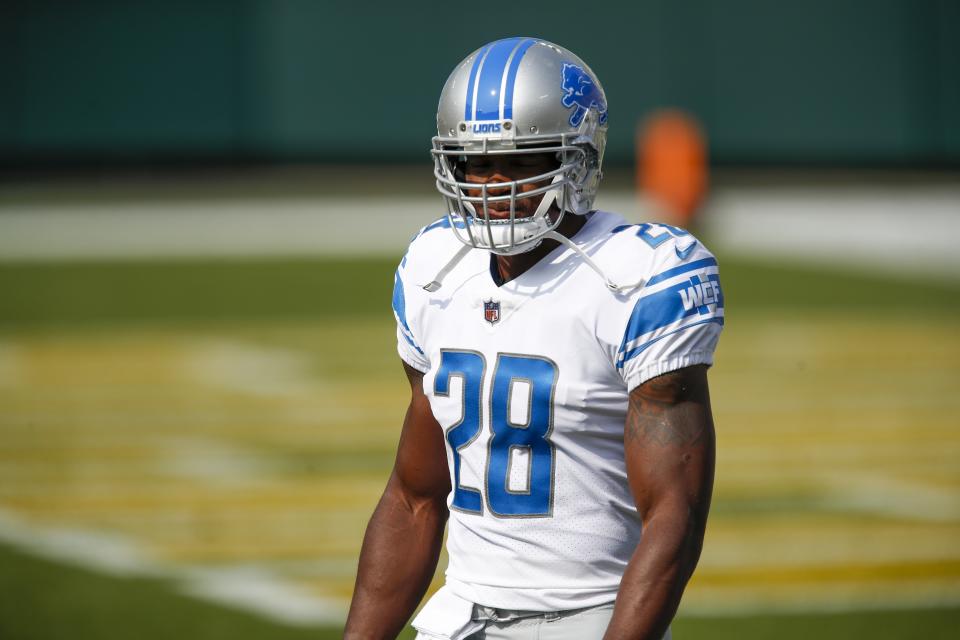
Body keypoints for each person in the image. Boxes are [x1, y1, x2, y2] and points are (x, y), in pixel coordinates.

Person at [344, 37, 722, 640]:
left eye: (521, 162)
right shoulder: (435, 268)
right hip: (459, 615)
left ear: (578, 160)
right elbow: (414, 496)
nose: (492, 185)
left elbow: (675, 514)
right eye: (473, 162)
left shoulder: (633, 279)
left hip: (592, 617)